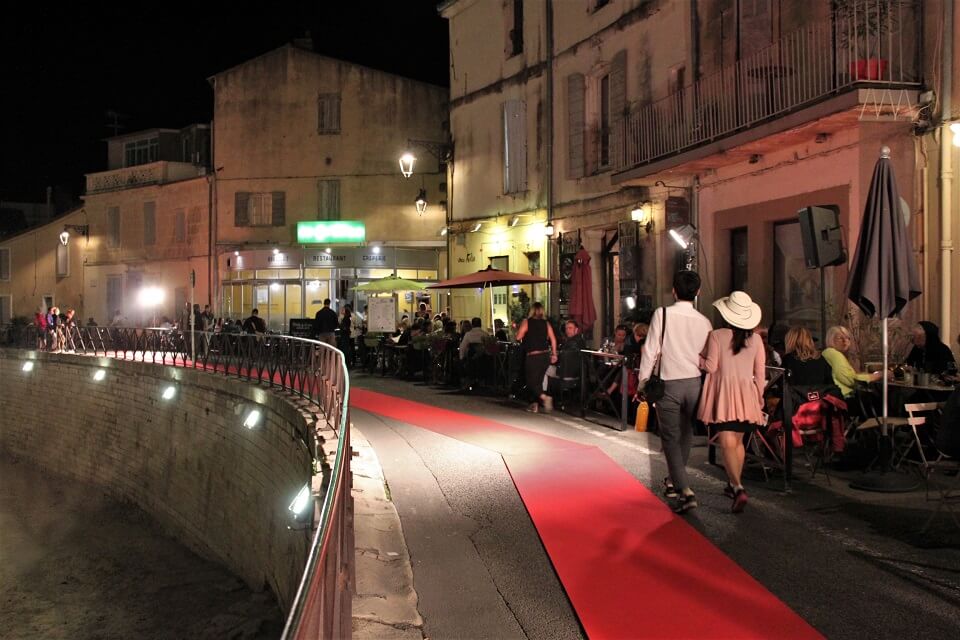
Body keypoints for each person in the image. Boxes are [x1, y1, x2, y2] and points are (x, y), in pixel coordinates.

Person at [638, 270, 713, 514]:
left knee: (670, 437)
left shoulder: (663, 314)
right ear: (698, 292)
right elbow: (705, 357)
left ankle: (685, 489)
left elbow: (650, 350)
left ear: (674, 291)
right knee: (686, 432)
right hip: (694, 383)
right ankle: (673, 482)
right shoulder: (704, 322)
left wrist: (642, 382)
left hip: (668, 382)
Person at [698, 291, 766, 513]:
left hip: (725, 395)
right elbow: (760, 372)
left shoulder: (717, 335)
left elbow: (710, 367)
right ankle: (733, 484)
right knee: (737, 442)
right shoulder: (756, 339)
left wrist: (693, 356)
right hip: (747, 395)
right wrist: (759, 396)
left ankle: (738, 487)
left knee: (727, 442)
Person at [515, 302, 558, 413]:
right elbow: (553, 339)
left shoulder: (527, 322)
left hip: (533, 356)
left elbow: (518, 337)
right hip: (545, 356)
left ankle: (544, 398)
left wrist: (518, 329)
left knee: (530, 382)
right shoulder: (546, 323)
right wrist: (554, 354)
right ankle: (534, 405)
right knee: (538, 381)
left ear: (532, 310)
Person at [821, 325, 882, 399]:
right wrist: (877, 376)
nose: (845, 341)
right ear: (831, 339)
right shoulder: (835, 354)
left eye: (847, 338)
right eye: (840, 338)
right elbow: (849, 379)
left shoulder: (827, 352)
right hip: (845, 398)